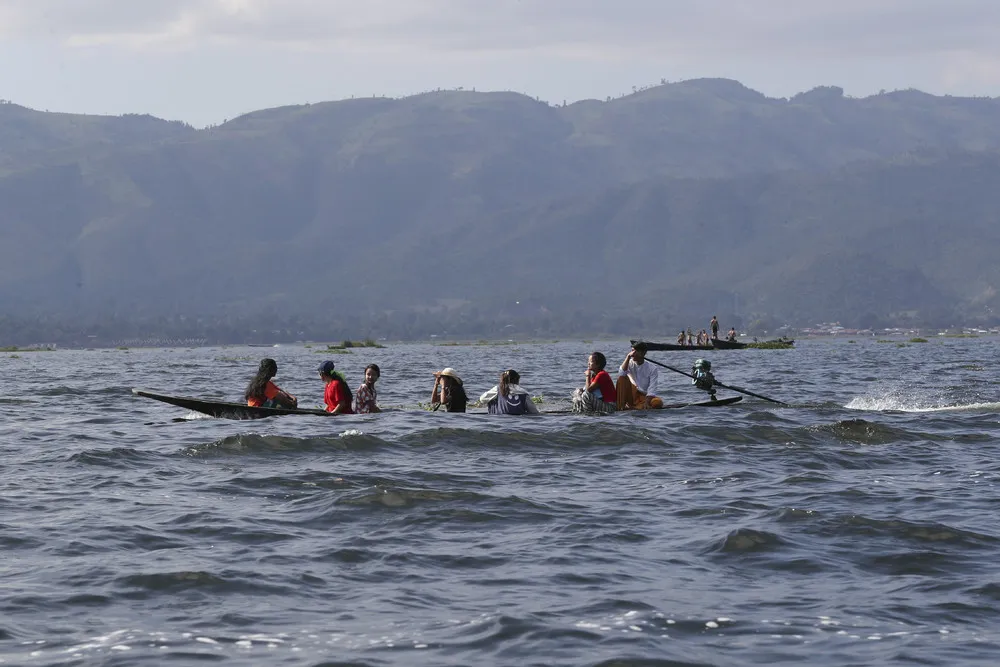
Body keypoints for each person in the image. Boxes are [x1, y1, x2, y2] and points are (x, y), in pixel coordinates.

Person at [616, 342, 664, 410]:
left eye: (635, 351)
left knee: (657, 403)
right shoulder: (629, 363)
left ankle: (635, 407)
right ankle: (621, 406)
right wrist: (628, 357)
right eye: (632, 351)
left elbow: (652, 388)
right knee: (621, 378)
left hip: (644, 397)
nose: (632, 354)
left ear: (643, 353)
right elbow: (621, 373)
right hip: (631, 395)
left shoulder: (652, 368)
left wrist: (647, 402)